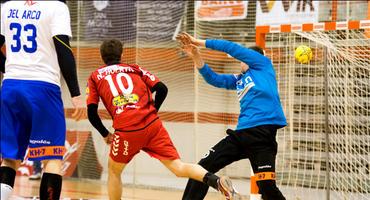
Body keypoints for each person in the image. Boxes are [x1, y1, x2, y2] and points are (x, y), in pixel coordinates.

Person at [86, 39, 242, 200]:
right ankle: (216, 181)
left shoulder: (95, 77)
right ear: (122, 54)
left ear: (101, 56)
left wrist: (105, 134)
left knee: (114, 171)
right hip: (153, 125)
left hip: (127, 130)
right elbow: (162, 89)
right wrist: (152, 112)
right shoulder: (135, 69)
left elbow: (91, 113)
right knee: (178, 167)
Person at [177, 32, 287, 200]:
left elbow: (231, 47)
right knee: (202, 168)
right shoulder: (239, 79)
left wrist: (197, 42)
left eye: (244, 59)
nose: (241, 61)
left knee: (267, 187)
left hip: (262, 137)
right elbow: (213, 79)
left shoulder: (263, 65)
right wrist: (196, 55)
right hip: (240, 136)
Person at [0, 0, 84, 199]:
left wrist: (11, 67)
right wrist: (76, 93)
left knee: (9, 159)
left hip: (10, 86)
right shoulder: (57, 7)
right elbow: (63, 49)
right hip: (43, 89)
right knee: (52, 158)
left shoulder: (8, 6)